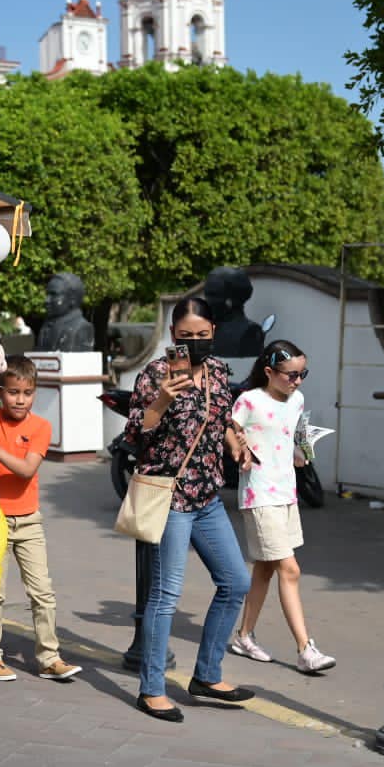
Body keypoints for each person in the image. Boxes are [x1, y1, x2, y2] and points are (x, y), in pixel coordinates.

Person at [126, 297, 254, 723]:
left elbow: (221, 416)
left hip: (208, 497)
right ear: (173, 335)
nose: (195, 344)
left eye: (202, 336)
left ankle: (207, 675)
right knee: (166, 596)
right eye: (186, 337)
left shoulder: (218, 371)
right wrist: (161, 401)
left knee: (236, 581)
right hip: (172, 498)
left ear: (213, 331)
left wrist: (235, 438)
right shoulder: (156, 374)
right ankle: (151, 689)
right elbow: (135, 436)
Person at [227, 340, 336, 674]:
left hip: (287, 493)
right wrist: (238, 449)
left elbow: (295, 436)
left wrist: (302, 452)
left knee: (265, 568)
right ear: (269, 372)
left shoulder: (297, 399)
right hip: (259, 496)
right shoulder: (249, 400)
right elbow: (228, 428)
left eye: (303, 374)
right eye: (290, 375)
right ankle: (306, 650)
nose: (297, 381)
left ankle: (243, 637)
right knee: (290, 569)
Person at [0, 355, 83, 683]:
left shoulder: (41, 427)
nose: (20, 399)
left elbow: (26, 471)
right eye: (12, 392)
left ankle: (49, 657)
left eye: (27, 392)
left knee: (42, 592)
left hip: (29, 520)